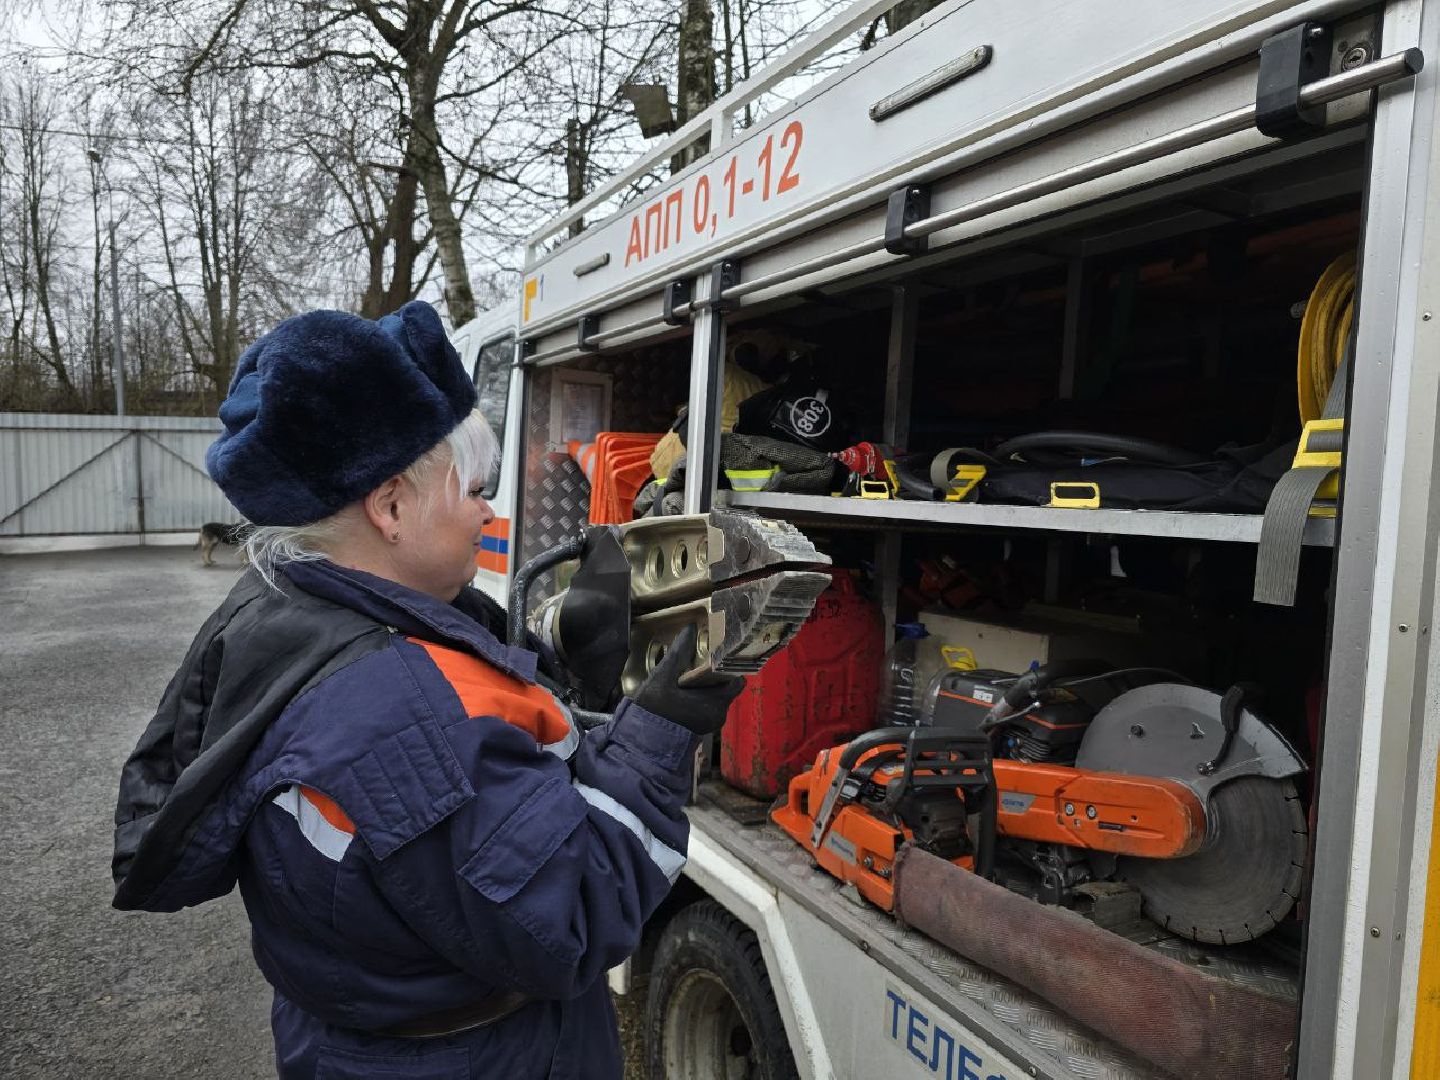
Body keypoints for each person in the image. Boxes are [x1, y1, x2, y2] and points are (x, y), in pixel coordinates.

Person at [111, 301, 741, 1079]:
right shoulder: (397, 721)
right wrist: (662, 729)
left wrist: (559, 649)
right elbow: (571, 919)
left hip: (361, 1034)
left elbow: (461, 695)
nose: (488, 509)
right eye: (472, 488)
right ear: (391, 506)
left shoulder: (288, 606)